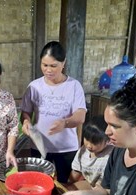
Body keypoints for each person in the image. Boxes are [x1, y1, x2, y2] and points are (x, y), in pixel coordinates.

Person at [20, 41, 87, 183]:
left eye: (53, 66)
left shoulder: (73, 86)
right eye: (44, 65)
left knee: (65, 185)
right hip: (39, 146)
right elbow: (25, 112)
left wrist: (65, 123)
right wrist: (26, 121)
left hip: (66, 148)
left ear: (63, 63)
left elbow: (80, 115)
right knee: (38, 183)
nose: (48, 70)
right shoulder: (34, 86)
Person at [68, 115, 114, 189]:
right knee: (68, 192)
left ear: (107, 141)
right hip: (89, 183)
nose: (89, 145)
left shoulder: (111, 155)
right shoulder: (83, 151)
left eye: (94, 142)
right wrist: (67, 185)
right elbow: (76, 171)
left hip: (104, 189)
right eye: (87, 139)